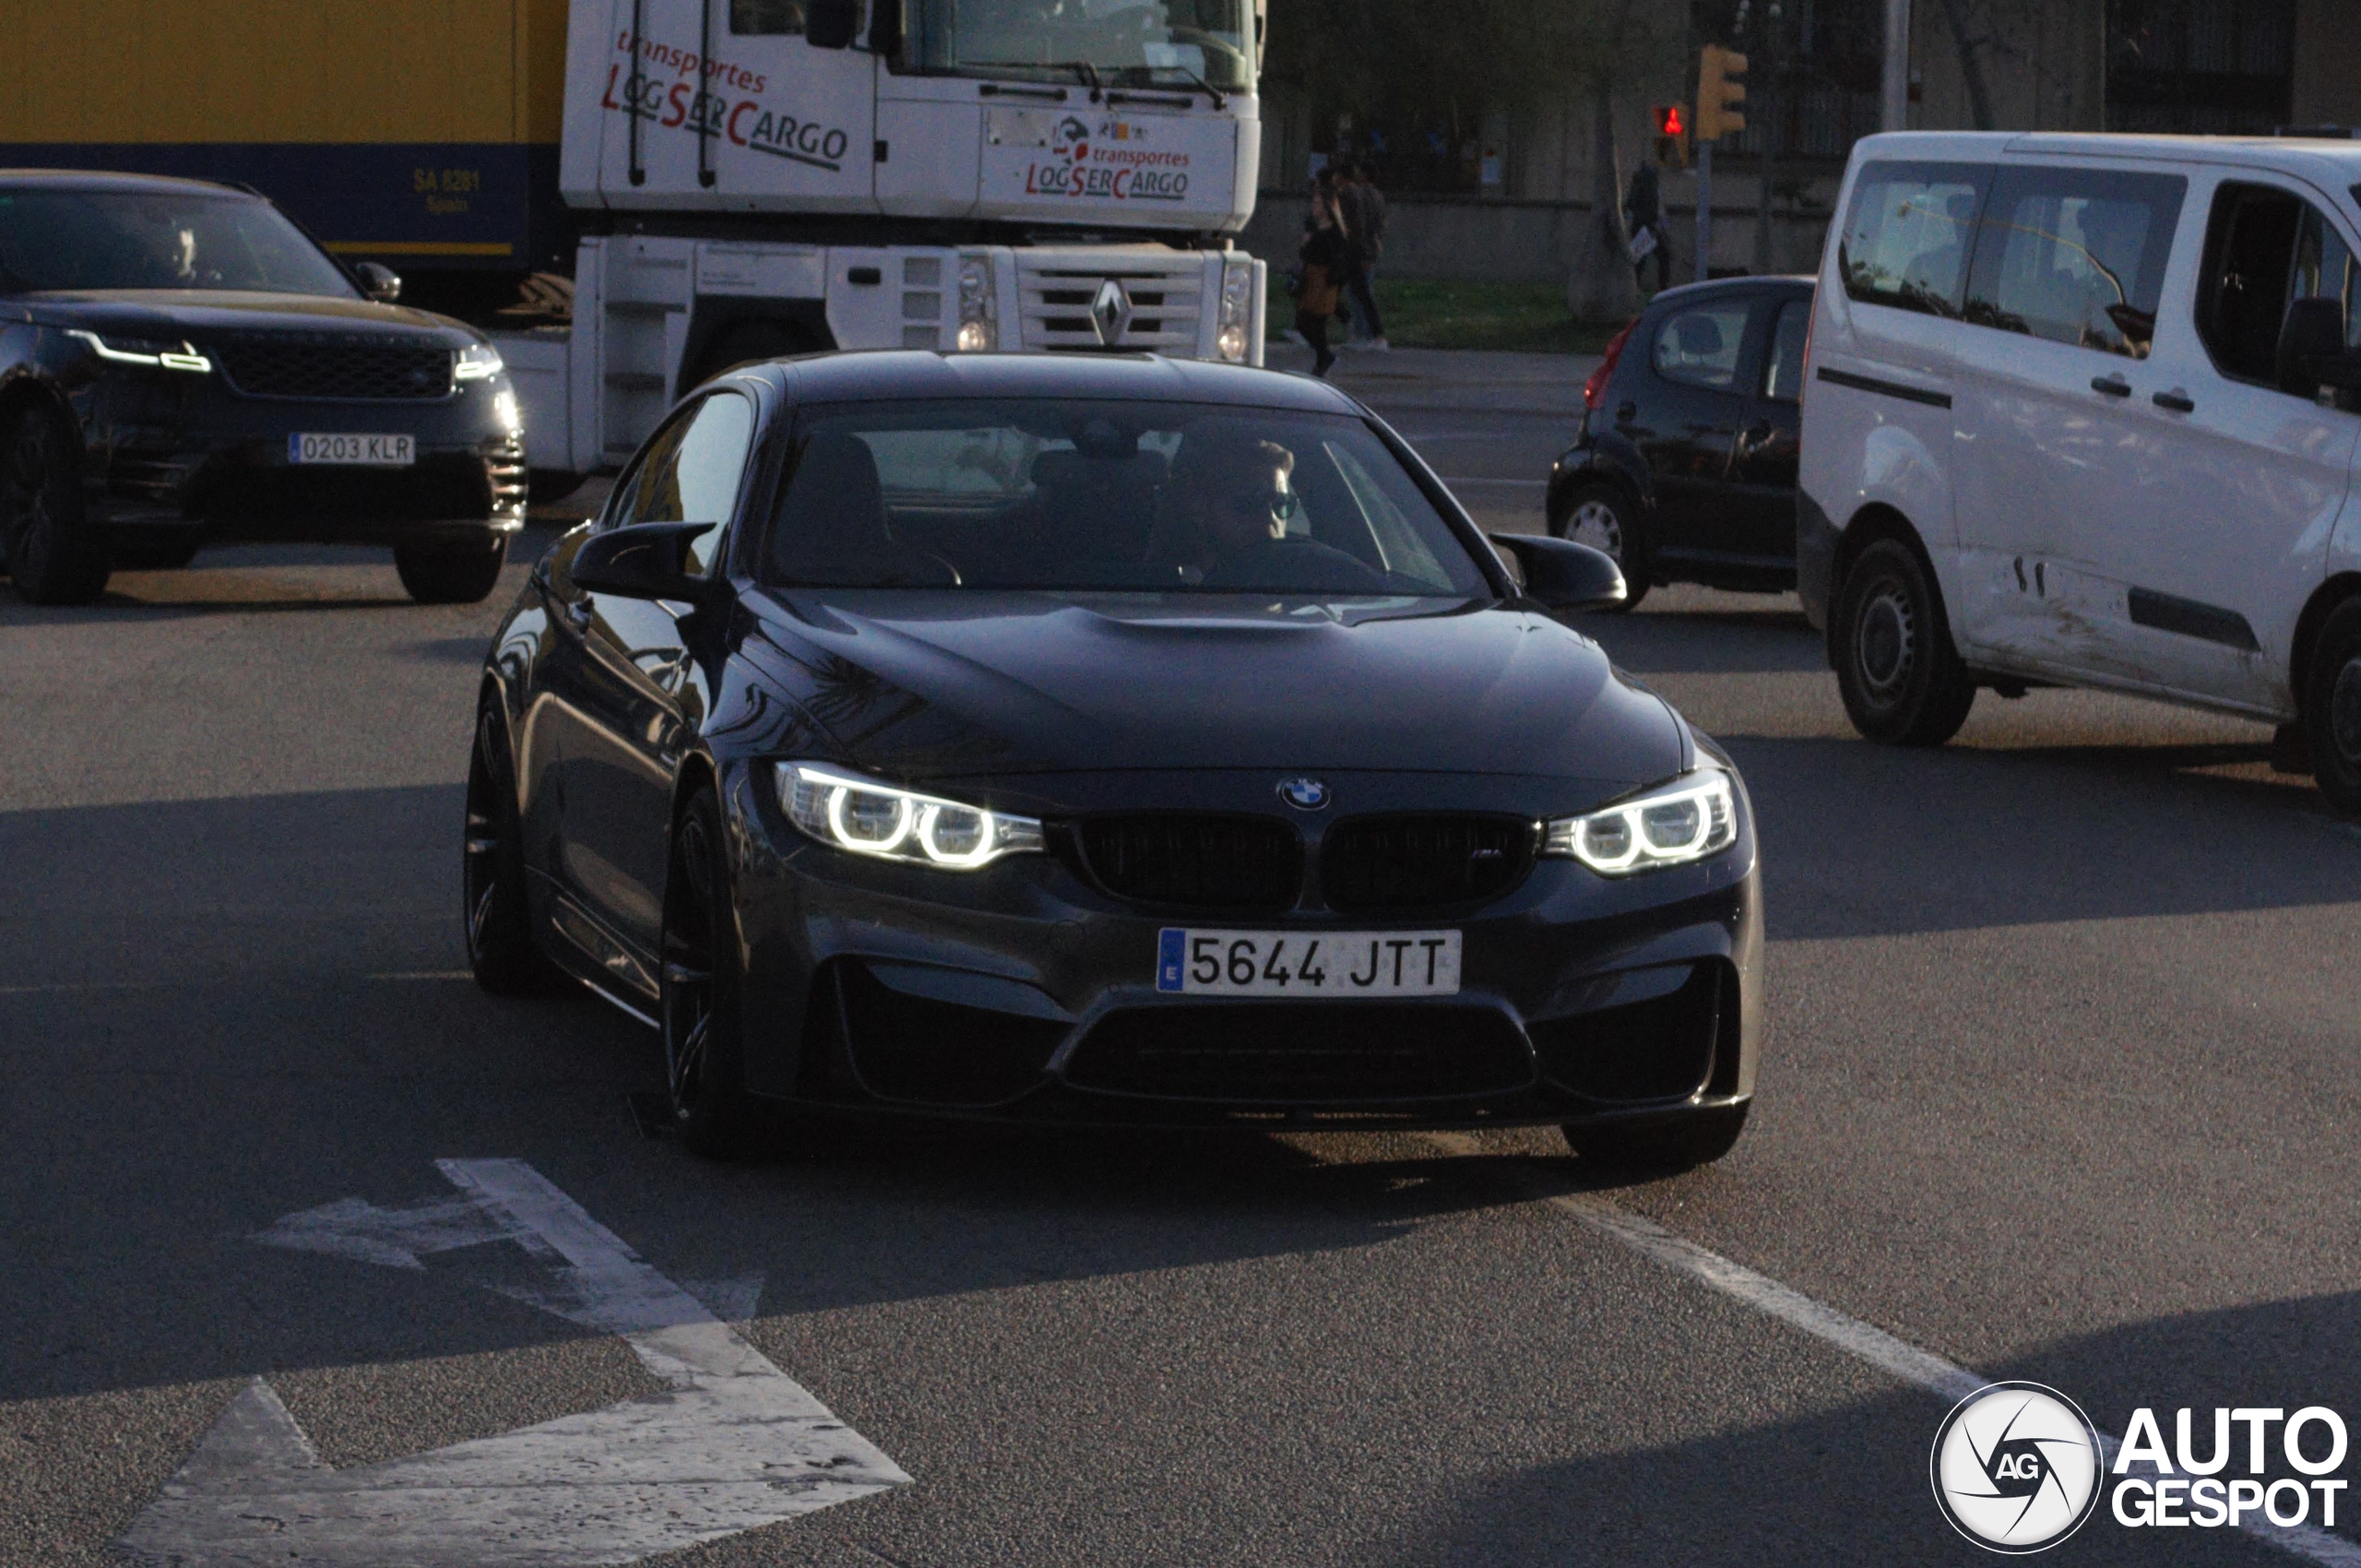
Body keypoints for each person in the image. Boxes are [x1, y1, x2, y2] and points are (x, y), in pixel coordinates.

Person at [1295, 186, 1350, 377]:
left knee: (1313, 320)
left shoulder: (1334, 232)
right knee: (1305, 321)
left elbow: (1335, 257)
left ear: (1328, 207)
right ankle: (1323, 357)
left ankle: (1323, 358)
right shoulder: (1316, 229)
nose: (1314, 207)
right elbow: (1305, 254)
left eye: (1318, 204)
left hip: (1324, 279)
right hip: (1311, 278)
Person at [1337, 161, 1389, 350]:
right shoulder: (1377, 196)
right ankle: (1366, 333)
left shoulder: (1362, 196)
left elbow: (1363, 226)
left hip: (1361, 250)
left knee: (1361, 293)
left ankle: (1367, 334)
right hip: (1370, 249)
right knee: (1361, 291)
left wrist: (1363, 250)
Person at [1624, 161, 1672, 294]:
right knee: (1662, 256)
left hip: (1642, 226)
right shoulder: (1649, 182)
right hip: (1650, 227)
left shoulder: (1639, 183)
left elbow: (1631, 204)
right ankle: (1662, 288)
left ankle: (1635, 287)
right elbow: (1655, 207)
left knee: (1640, 258)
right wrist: (1659, 226)